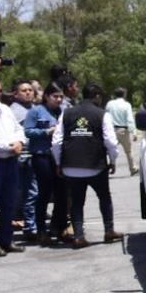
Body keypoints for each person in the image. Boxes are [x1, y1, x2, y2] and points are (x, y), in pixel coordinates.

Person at [53, 83, 123, 249]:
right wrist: (113, 160)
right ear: (97, 96)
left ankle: (78, 236)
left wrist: (58, 163)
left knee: (77, 202)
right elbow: (110, 142)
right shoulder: (102, 114)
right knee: (104, 198)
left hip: (71, 166)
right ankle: (109, 231)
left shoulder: (67, 113)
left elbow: (56, 141)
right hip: (95, 165)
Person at [0, 79, 27, 256]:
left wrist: (19, 142)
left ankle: (6, 239)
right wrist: (8, 147)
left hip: (11, 163)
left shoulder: (6, 109)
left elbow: (19, 129)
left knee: (9, 203)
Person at [24, 85, 65, 246]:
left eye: (61, 96)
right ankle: (41, 231)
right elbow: (28, 131)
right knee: (44, 194)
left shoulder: (61, 112)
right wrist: (46, 132)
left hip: (58, 157)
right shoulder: (35, 111)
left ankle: (60, 228)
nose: (59, 100)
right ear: (46, 96)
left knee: (61, 194)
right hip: (42, 156)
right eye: (55, 96)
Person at [9, 79, 38, 240]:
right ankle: (29, 226)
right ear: (15, 94)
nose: (28, 93)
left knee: (32, 193)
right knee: (26, 193)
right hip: (21, 158)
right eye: (24, 90)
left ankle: (31, 224)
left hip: (35, 156)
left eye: (30, 90)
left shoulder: (36, 108)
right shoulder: (13, 111)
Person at [105, 87, 138, 176]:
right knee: (128, 151)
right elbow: (129, 119)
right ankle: (133, 168)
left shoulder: (109, 104)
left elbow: (106, 117)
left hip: (111, 130)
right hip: (123, 130)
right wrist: (133, 131)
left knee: (111, 149)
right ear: (124, 94)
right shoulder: (127, 105)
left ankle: (112, 166)